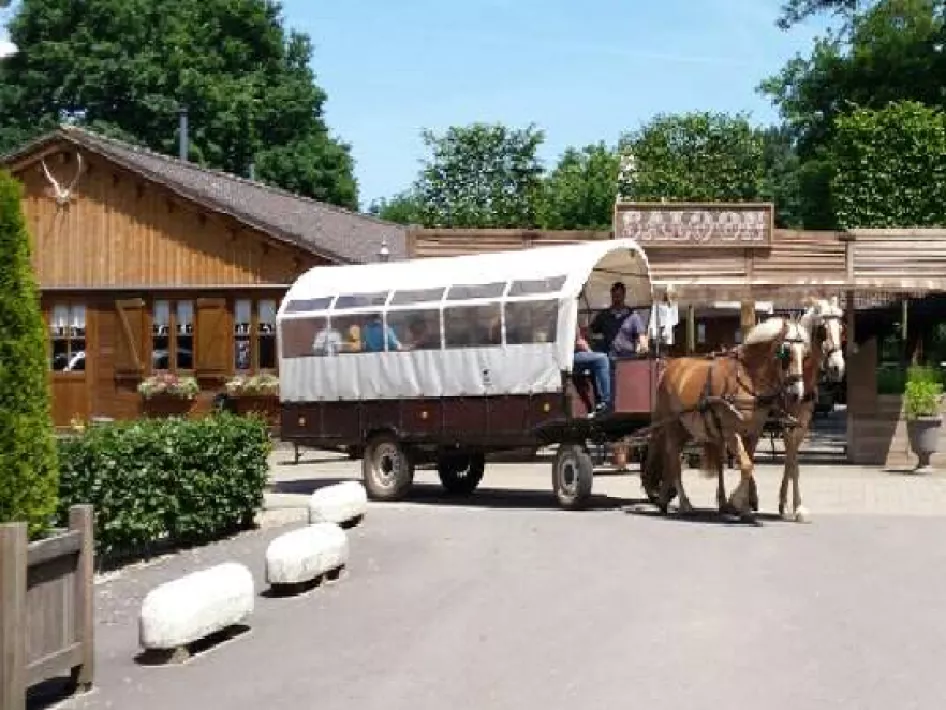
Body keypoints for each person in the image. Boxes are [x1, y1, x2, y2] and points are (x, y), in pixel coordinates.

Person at [574, 327, 611, 415]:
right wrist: (589, 351)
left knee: (596, 363)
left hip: (573, 355)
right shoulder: (571, 321)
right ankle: (605, 401)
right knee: (602, 359)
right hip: (570, 356)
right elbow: (580, 343)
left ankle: (597, 401)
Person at [589, 281, 632, 352]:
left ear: (624, 295)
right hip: (610, 352)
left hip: (628, 353)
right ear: (611, 296)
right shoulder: (603, 315)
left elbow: (639, 335)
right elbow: (591, 330)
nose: (617, 299)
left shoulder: (631, 314)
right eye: (614, 296)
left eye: (619, 296)